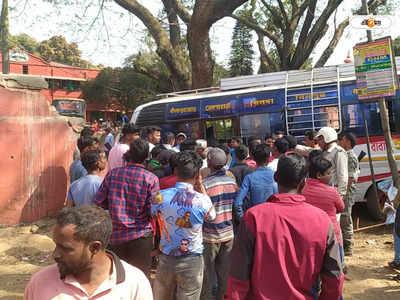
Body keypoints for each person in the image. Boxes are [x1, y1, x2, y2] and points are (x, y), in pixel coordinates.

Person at [225, 154, 344, 300]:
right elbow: (334, 277)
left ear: (276, 177)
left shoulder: (254, 217)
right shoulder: (322, 220)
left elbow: (238, 274)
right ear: (304, 183)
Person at [24, 206, 153, 300]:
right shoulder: (40, 282)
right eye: (56, 245)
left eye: (66, 248)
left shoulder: (134, 283)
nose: (55, 255)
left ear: (95, 248)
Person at [151, 151, 216, 300]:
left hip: (166, 257)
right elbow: (212, 217)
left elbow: (154, 214)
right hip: (192, 260)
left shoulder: (159, 196)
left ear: (175, 172)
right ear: (197, 174)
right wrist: (202, 190)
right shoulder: (202, 200)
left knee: (161, 296)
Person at [94, 139, 159, 276]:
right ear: (147, 156)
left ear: (129, 154)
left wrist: (113, 205)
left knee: (117, 277)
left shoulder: (113, 174)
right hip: (140, 236)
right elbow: (153, 212)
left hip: (116, 236)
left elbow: (98, 201)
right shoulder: (151, 179)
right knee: (141, 279)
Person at [201, 148, 238, 300]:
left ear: (209, 162)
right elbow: (236, 206)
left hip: (210, 236)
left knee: (208, 274)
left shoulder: (205, 185)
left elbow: (203, 211)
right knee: (225, 273)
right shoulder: (232, 182)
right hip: (228, 233)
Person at [302, 153, 344, 252]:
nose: (331, 176)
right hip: (330, 237)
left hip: (307, 236)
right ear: (319, 175)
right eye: (329, 173)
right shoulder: (332, 191)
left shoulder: (301, 189)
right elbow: (341, 207)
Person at [234, 144, 277, 219]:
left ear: (253, 158)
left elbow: (237, 203)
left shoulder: (249, 178)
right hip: (273, 218)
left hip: (256, 219)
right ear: (269, 158)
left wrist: (243, 219)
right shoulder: (276, 176)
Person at [338, 131, 360, 257]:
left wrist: (344, 194)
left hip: (348, 191)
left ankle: (349, 245)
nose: (340, 141)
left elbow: (350, 179)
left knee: (346, 217)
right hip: (344, 190)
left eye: (342, 139)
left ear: (348, 142)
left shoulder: (350, 157)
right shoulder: (344, 155)